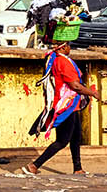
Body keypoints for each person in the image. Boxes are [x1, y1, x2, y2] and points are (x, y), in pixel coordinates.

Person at [23, 38, 102, 175]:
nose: (70, 48)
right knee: (62, 141)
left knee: (76, 137)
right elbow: (75, 85)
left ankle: (77, 168)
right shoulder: (62, 62)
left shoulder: (56, 60)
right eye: (69, 46)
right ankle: (34, 165)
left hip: (72, 105)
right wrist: (92, 93)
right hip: (65, 106)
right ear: (63, 48)